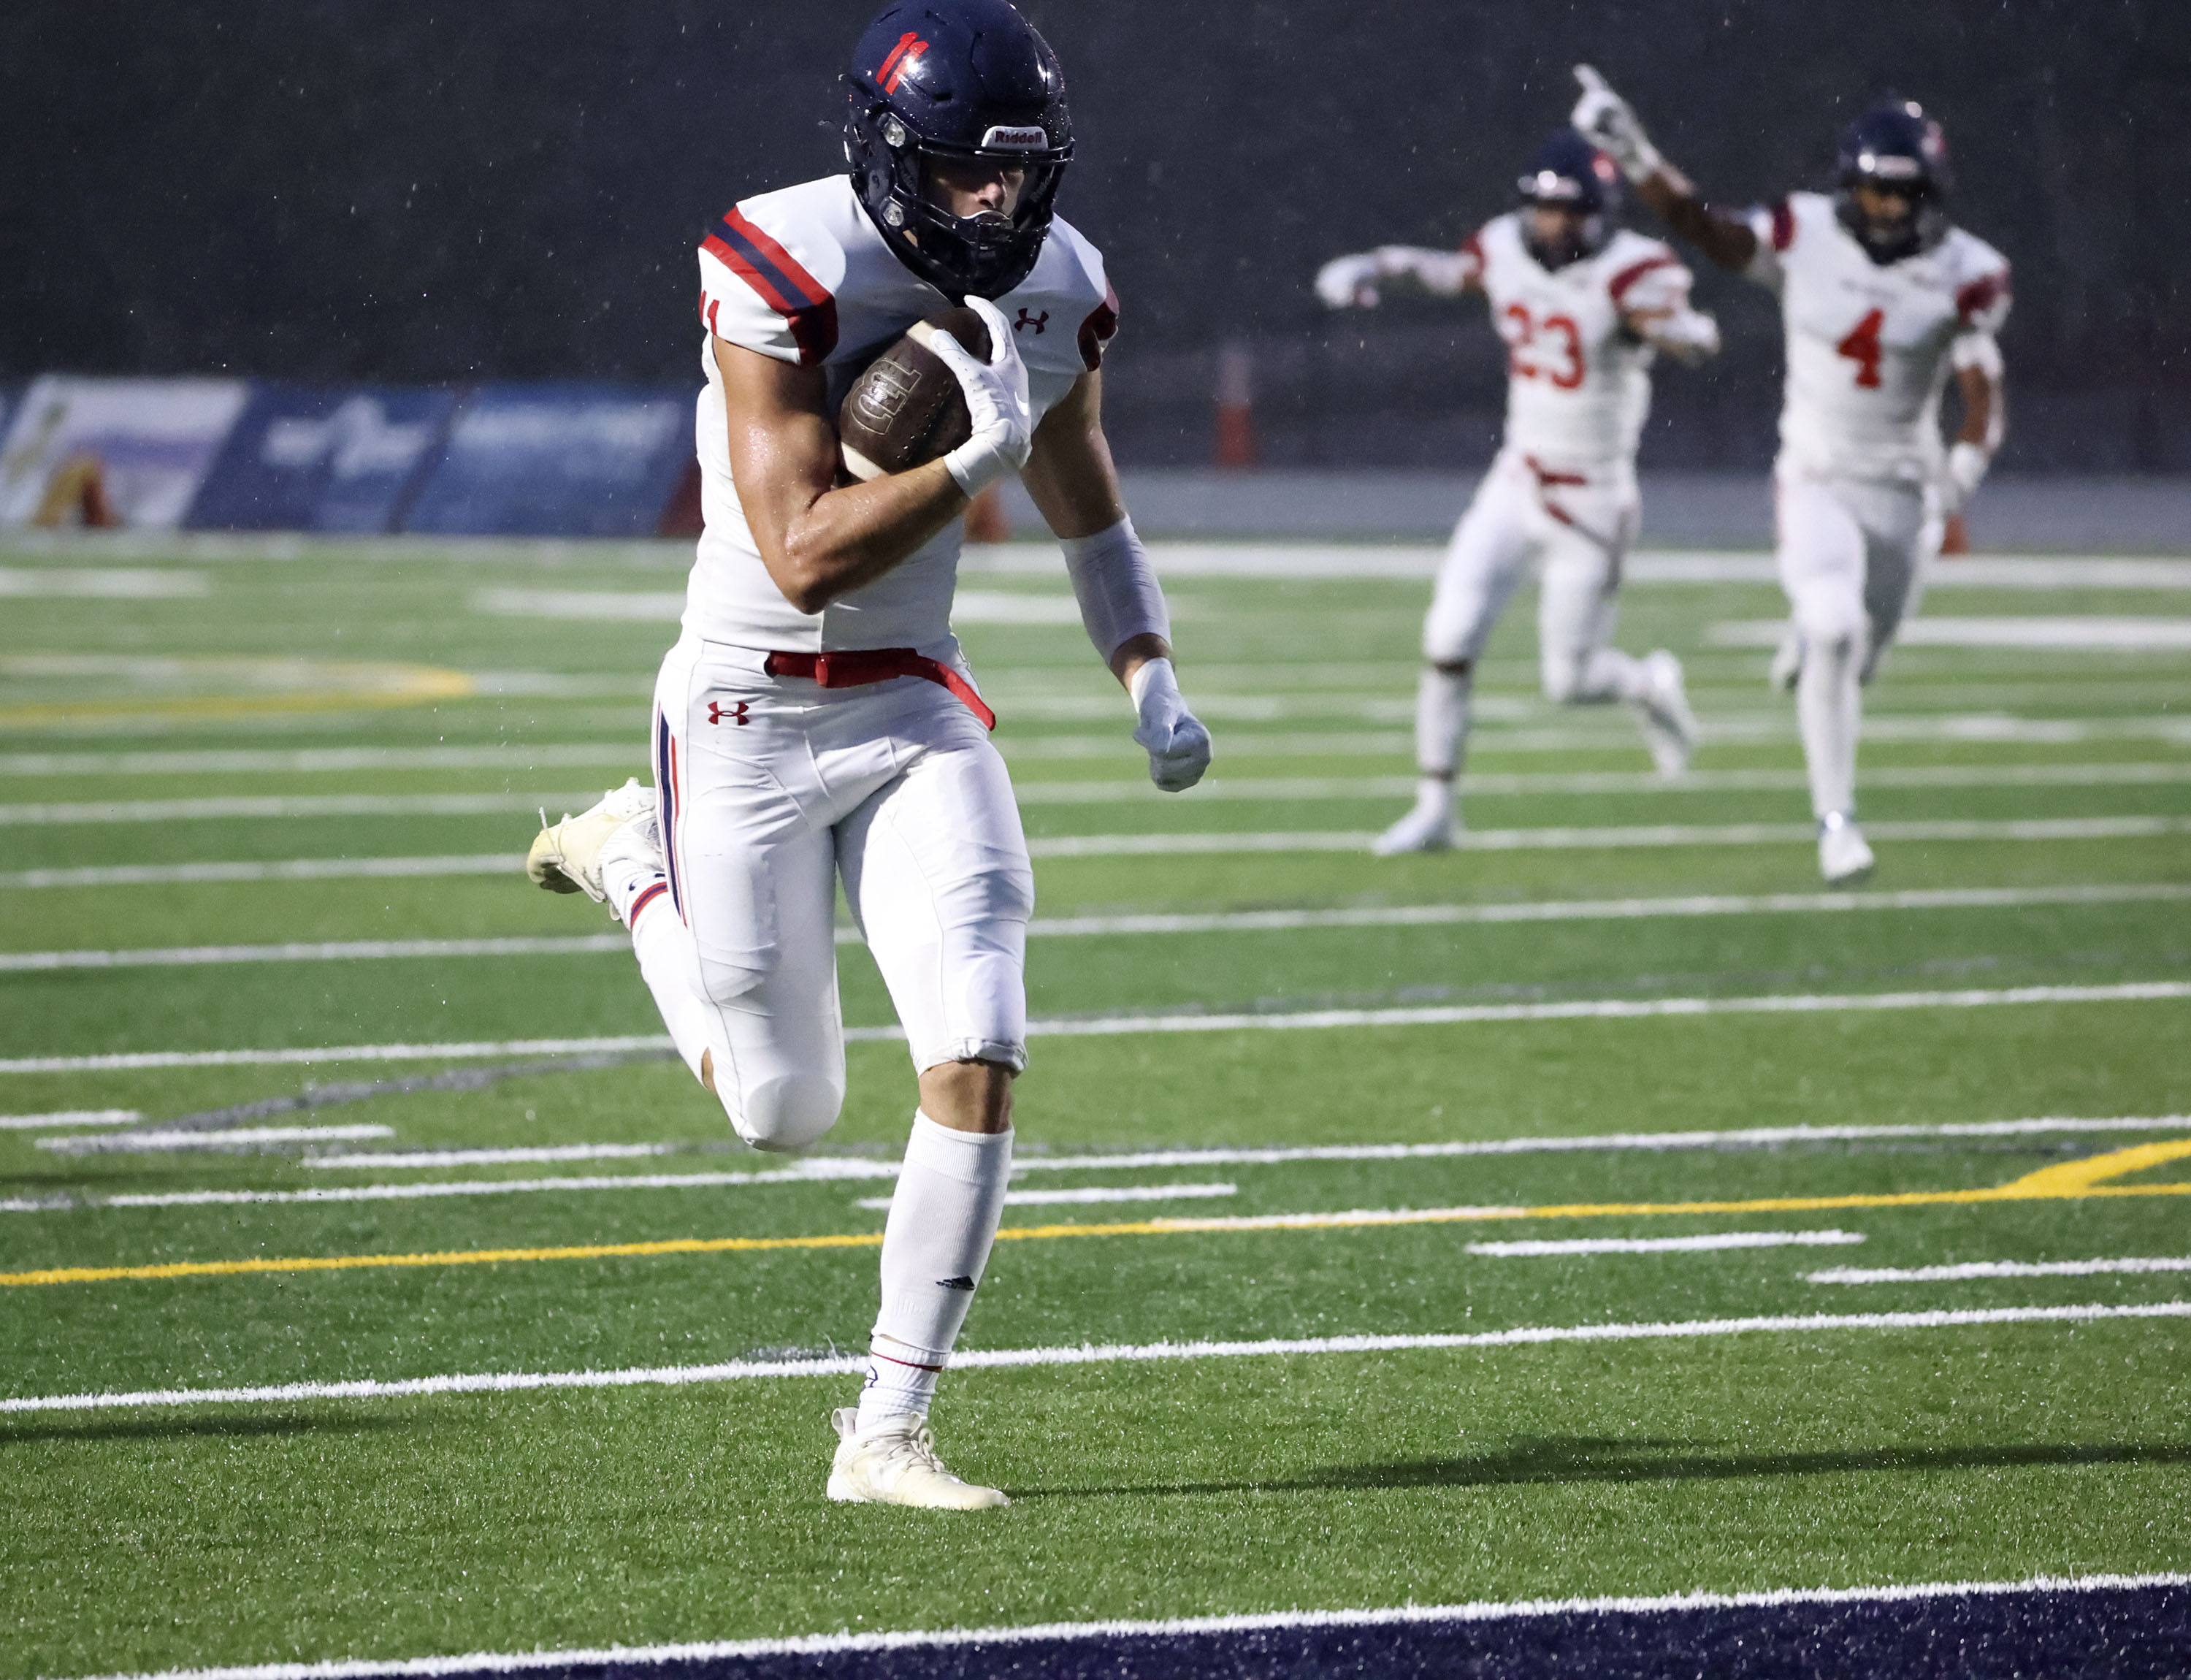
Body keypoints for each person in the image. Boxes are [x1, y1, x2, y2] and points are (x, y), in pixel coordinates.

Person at [524, 0, 1210, 1509]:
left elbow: (1088, 498)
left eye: (1019, 176)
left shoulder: (1059, 279)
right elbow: (803, 551)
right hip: (747, 709)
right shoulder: (781, 257)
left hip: (913, 706)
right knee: (785, 1113)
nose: (996, 206)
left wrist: (1149, 672)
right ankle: (635, 858)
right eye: (967, 174)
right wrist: (971, 460)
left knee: (979, 1043)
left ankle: (885, 1431)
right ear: (891, 153)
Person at [1570, 69, 2011, 884]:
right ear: (1850, 189)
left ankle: (1809, 634)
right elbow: (1702, 225)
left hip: (1903, 492)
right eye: (1878, 193)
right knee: (1837, 630)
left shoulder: (1969, 272)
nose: (1891, 210)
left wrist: (1963, 471)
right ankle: (1836, 824)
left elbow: (1984, 388)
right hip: (1816, 472)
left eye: (1905, 195)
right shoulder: (1801, 233)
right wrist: (1635, 154)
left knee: (1859, 654)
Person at [1317, 129, 1718, 855]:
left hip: (1594, 498)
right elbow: (1452, 271)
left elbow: (1696, 339)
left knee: (1572, 681)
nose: (1555, 223)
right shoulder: (1505, 245)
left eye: (1572, 210)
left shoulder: (1635, 272)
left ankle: (1651, 685)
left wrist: (1684, 334)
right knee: (1448, 637)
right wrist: (1376, 264)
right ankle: (1436, 806)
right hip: (1518, 478)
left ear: (1602, 214)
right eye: (1545, 207)